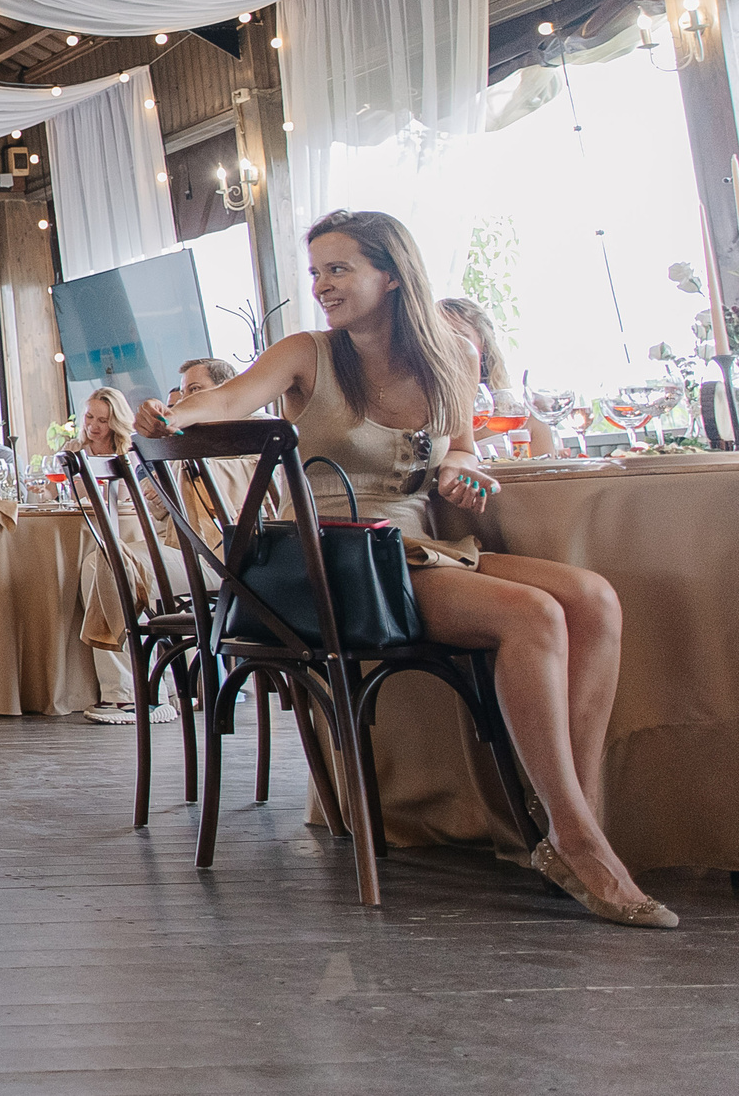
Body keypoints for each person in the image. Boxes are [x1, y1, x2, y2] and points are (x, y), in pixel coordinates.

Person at [138, 209, 671, 929]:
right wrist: (175, 416)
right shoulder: (307, 352)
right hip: (335, 564)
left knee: (595, 599)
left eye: (339, 268)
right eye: (318, 269)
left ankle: (573, 828)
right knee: (534, 614)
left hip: (415, 546)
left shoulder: (447, 357)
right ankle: (580, 844)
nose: (322, 284)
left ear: (390, 274)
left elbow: (463, 449)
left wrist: (459, 469)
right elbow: (227, 399)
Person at [62, 386, 184, 725]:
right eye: (89, 417)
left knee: (113, 568)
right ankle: (132, 692)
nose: (94, 426)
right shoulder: (74, 451)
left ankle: (134, 694)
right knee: (105, 566)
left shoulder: (136, 451)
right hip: (109, 533)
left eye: (103, 419)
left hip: (149, 537)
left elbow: (160, 506)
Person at [439, 297, 562, 456]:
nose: (448, 348)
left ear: (483, 343)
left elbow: (548, 477)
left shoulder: (526, 418)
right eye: (439, 340)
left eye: (459, 337)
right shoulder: (424, 421)